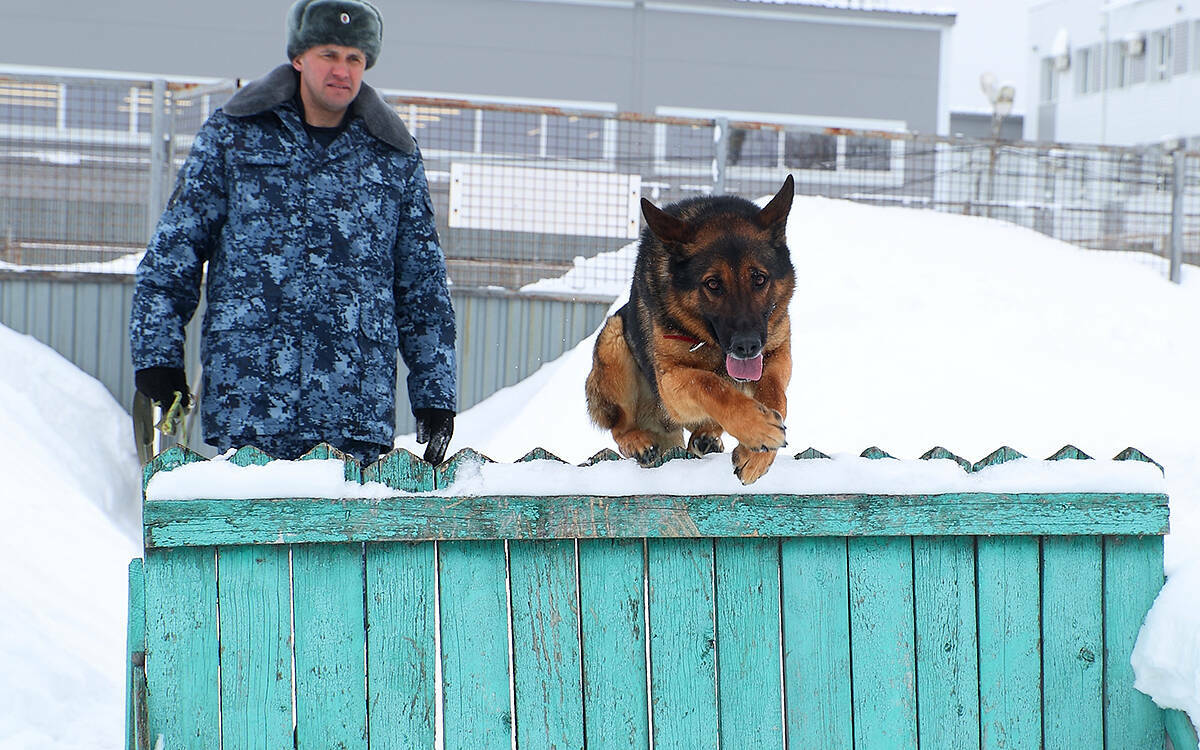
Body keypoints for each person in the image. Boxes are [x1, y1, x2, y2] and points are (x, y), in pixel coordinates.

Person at [130, 0, 457, 466]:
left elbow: (422, 287)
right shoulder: (234, 137)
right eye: (329, 54)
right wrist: (157, 360)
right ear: (299, 57)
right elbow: (172, 257)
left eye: (355, 58)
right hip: (251, 407)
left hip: (353, 416)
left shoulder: (394, 157)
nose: (341, 70)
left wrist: (435, 393)